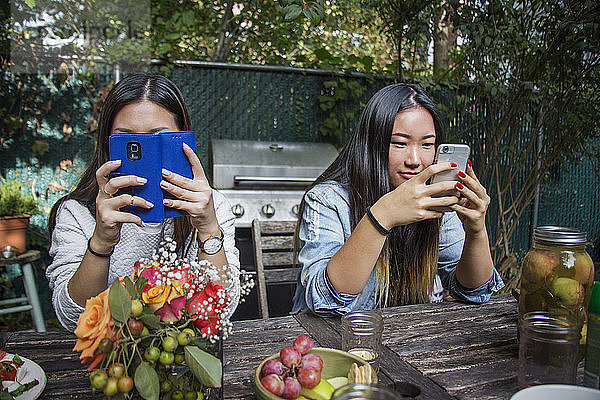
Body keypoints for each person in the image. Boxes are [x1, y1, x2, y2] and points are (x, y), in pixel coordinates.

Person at [47, 73, 240, 332]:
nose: (143, 155)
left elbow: (220, 311)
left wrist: (208, 229)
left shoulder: (210, 206)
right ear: (108, 143)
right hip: (112, 361)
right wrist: (102, 242)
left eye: (158, 138)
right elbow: (72, 318)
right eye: (128, 141)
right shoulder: (77, 212)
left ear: (181, 138)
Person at [292, 83, 504, 315]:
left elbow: (473, 292)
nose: (414, 160)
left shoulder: (436, 201)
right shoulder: (329, 200)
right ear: (372, 145)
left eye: (427, 144)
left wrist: (476, 231)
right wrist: (382, 216)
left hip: (406, 341)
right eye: (400, 143)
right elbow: (326, 302)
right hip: (329, 344)